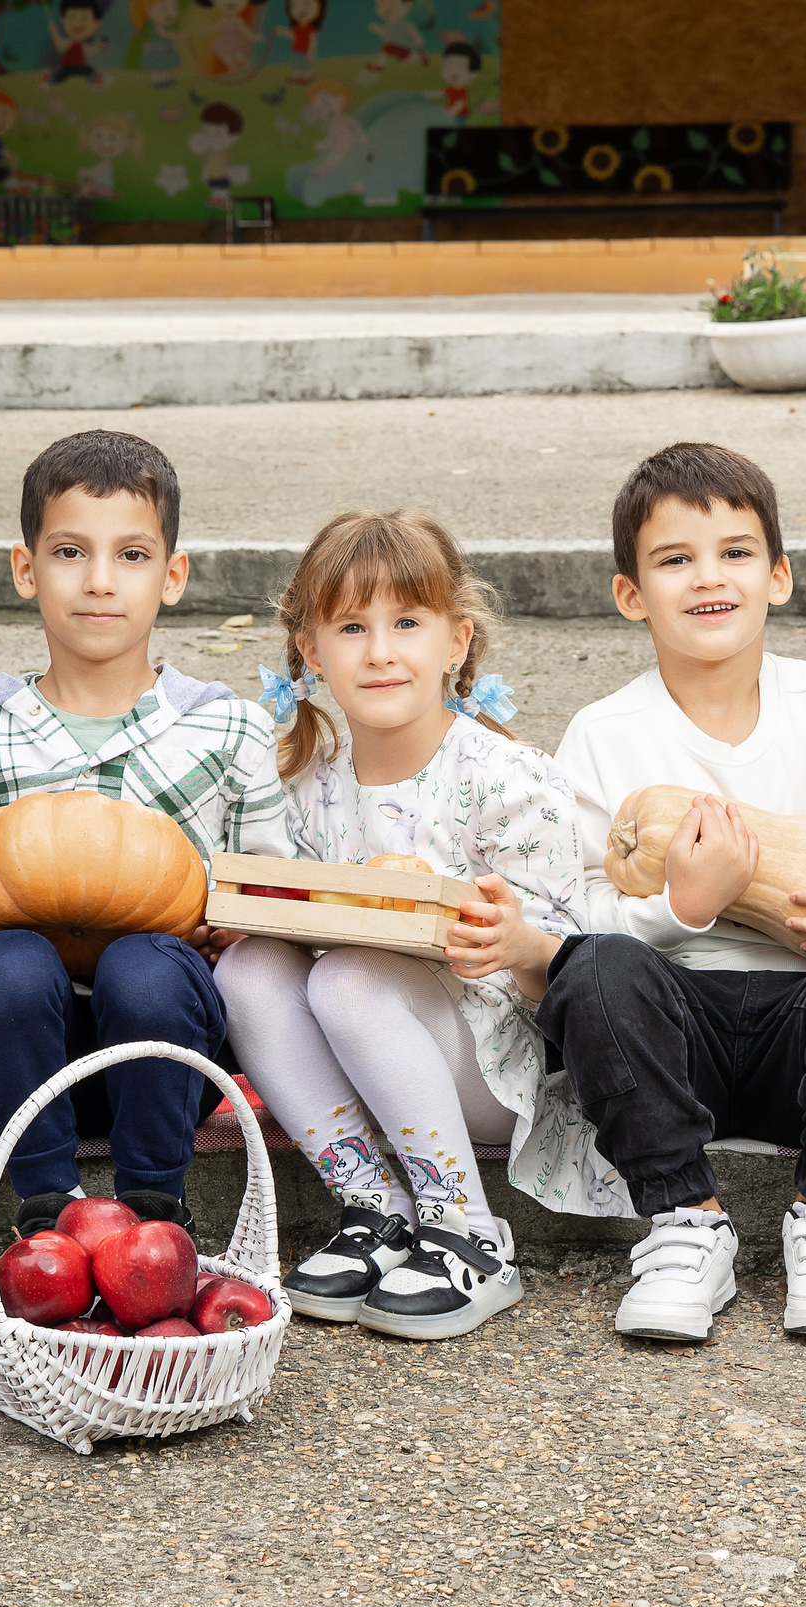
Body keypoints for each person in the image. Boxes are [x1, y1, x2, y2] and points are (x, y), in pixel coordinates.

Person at [538, 442, 806, 1343]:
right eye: (674, 559)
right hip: (672, 1036)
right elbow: (564, 918)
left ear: (779, 576)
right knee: (597, 972)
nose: (707, 577)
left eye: (734, 552)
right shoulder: (603, 736)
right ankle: (685, 1218)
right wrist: (681, 905)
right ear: (630, 594)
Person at [0, 430, 292, 1238]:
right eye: (70, 551)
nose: (98, 581)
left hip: (167, 1047)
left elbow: (274, 893)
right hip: (18, 1056)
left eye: (130, 555)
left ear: (172, 575)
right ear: (26, 569)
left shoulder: (229, 729)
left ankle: (157, 1209)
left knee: (143, 965)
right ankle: (47, 1210)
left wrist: (241, 916)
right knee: (6, 961)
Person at [216, 510, 585, 1340]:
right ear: (313, 653)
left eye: (407, 623)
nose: (380, 651)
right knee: (245, 967)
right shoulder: (303, 786)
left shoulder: (509, 778)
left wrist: (520, 943)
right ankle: (375, 1207)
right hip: (363, 1042)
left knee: (349, 976)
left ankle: (467, 1230)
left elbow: (576, 977)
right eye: (352, 626)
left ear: (456, 641)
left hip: (495, 1065)